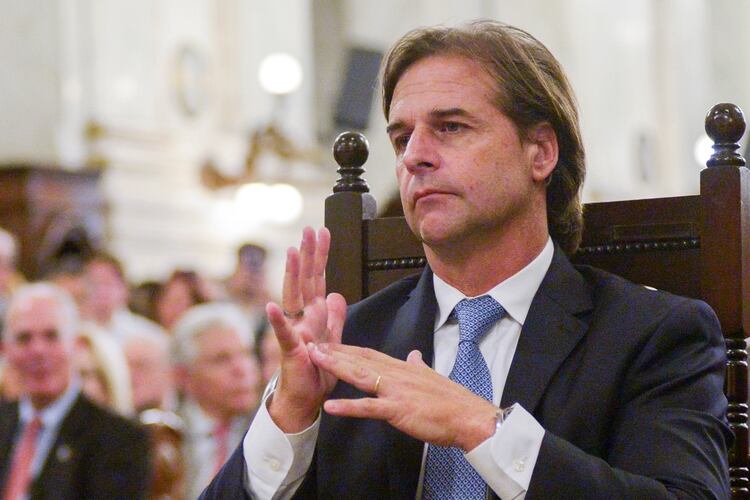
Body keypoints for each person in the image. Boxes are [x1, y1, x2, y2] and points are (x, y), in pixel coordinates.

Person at [202, 20, 731, 499]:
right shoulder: (352, 346)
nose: (414, 156)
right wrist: (290, 413)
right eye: (402, 137)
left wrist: (481, 427)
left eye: (451, 127)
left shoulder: (653, 334)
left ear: (540, 151)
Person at [0, 282, 150, 499]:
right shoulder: (4, 422)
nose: (38, 350)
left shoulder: (119, 439)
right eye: (24, 338)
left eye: (51, 336)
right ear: (6, 350)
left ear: (77, 345)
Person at [173, 301, 262, 499]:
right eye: (221, 359)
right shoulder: (166, 436)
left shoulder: (271, 428)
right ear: (184, 377)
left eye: (246, 354)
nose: (241, 369)